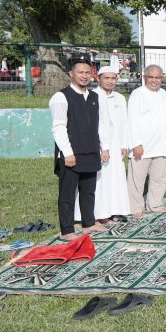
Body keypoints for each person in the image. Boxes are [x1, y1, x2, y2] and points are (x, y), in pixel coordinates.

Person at [49, 55, 107, 240]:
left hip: (91, 151)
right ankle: (67, 230)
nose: (84, 76)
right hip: (71, 154)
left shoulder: (94, 96)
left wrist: (103, 147)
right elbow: (58, 127)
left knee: (88, 191)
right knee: (67, 194)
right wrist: (67, 152)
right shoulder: (61, 97)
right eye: (80, 72)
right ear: (71, 73)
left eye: (87, 72)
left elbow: (100, 124)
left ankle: (88, 223)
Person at [75, 65, 130, 224]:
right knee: (99, 180)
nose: (110, 81)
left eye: (113, 78)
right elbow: (97, 124)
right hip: (97, 145)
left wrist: (124, 144)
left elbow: (124, 123)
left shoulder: (120, 98)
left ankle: (112, 211)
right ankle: (96, 214)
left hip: (116, 145)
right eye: (106, 78)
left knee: (114, 180)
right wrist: (103, 147)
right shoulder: (92, 96)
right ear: (98, 78)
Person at [127, 64, 166, 218]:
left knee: (160, 179)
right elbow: (131, 120)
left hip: (161, 146)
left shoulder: (164, 93)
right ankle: (135, 208)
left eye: (157, 77)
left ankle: (155, 204)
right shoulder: (137, 94)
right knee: (137, 181)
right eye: (151, 77)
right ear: (145, 77)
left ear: (162, 78)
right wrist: (136, 144)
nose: (154, 80)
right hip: (142, 147)